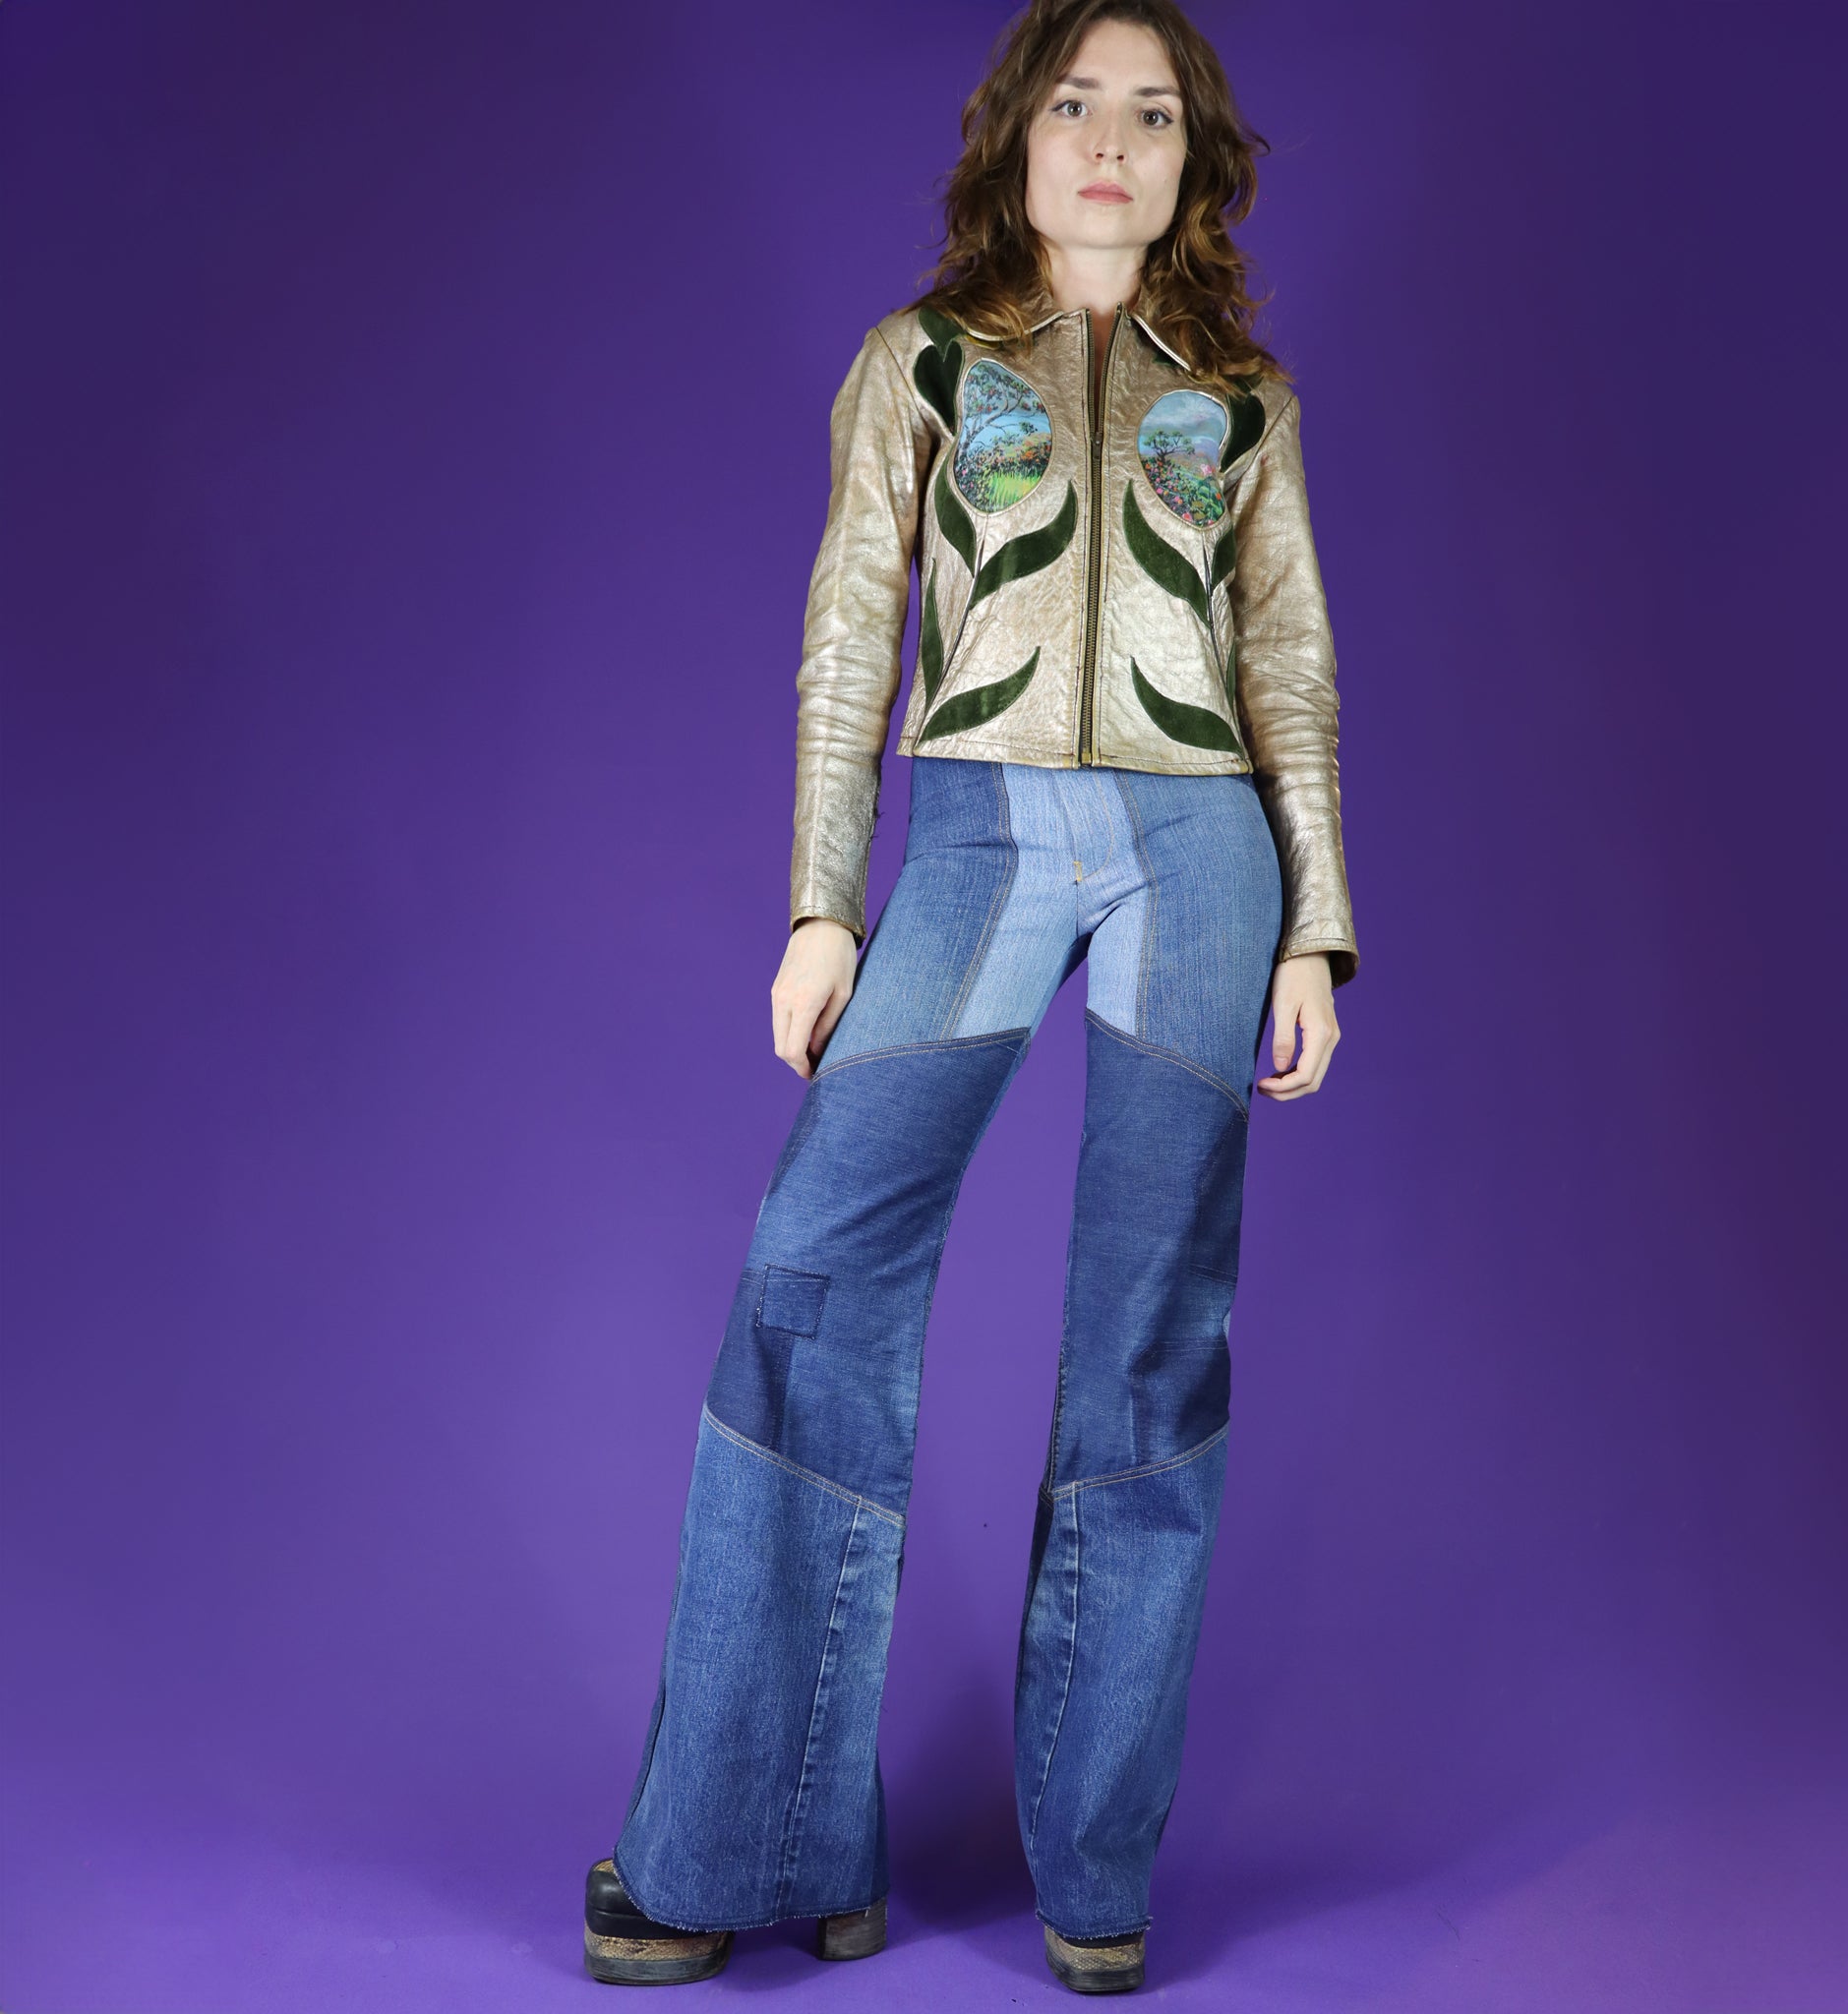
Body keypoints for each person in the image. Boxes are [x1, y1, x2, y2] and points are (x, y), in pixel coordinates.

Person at [582, 0, 1357, 1993]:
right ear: (1018, 139)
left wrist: (1313, 926)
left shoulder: (1243, 399)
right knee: (815, 1268)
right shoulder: (915, 364)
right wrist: (821, 904)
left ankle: (1096, 1879)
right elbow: (852, 631)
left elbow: (1285, 662)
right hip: (984, 834)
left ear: (1193, 161)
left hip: (1203, 853)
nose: (1109, 140)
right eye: (1075, 104)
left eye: (1151, 113)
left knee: (1153, 1335)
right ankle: (753, 1841)